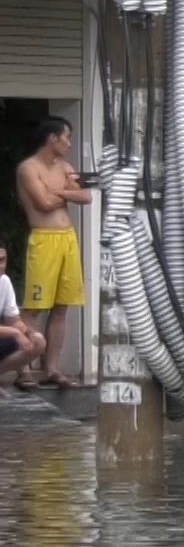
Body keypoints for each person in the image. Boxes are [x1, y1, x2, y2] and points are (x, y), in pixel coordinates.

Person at [16, 116, 89, 388]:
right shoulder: (29, 168)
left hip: (67, 239)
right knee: (34, 306)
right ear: (52, 138)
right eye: (67, 137)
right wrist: (67, 191)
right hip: (44, 239)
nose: (69, 143)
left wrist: (60, 191)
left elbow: (86, 197)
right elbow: (43, 203)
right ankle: (23, 369)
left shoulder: (65, 167)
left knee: (61, 307)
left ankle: (52, 368)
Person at [0, 245, 47, 390]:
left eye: (2, 260)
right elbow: (13, 329)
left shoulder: (4, 281)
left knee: (37, 341)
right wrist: (15, 333)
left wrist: (27, 332)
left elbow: (13, 319)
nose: (0, 266)